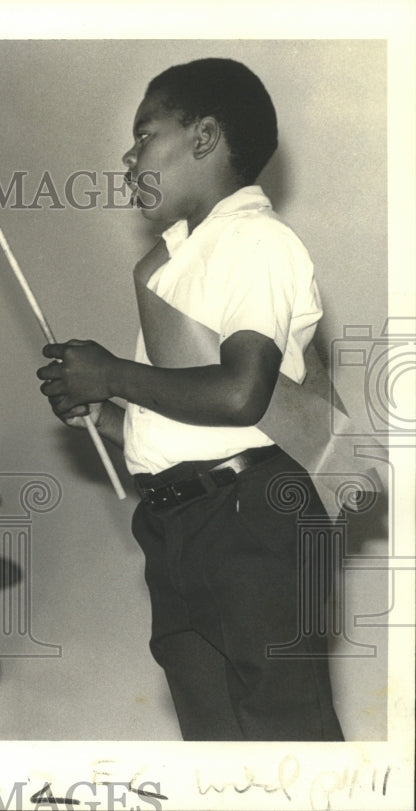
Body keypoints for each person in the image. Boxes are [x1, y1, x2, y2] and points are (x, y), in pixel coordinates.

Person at [37, 58, 344, 740]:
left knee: (286, 740)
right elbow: (184, 423)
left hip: (252, 521)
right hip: (180, 526)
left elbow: (241, 394)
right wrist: (104, 410)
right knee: (218, 750)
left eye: (145, 133)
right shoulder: (179, 263)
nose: (129, 153)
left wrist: (113, 373)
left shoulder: (257, 241)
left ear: (204, 137)